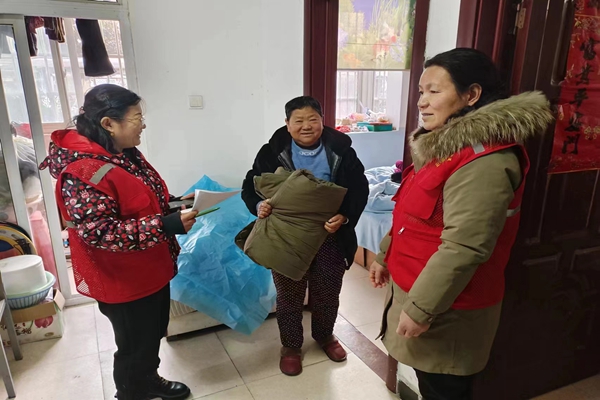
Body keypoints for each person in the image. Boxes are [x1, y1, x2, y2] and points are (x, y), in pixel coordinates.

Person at [369, 48, 553, 400]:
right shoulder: (444, 148)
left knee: (444, 389)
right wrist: (383, 256)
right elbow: (410, 214)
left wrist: (420, 309)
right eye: (421, 91)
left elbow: (464, 247)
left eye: (434, 91)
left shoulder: (484, 161)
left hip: (448, 308)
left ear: (471, 95)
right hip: (420, 291)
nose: (422, 101)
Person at [40, 84, 196, 400]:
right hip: (122, 279)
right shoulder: (83, 172)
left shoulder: (123, 153)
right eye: (137, 117)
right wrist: (166, 224)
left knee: (151, 334)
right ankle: (130, 392)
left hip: (150, 267)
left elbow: (140, 200)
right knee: (133, 344)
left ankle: (147, 379)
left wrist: (174, 204)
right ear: (109, 123)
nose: (143, 124)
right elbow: (100, 232)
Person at [242, 96, 369, 376]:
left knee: (328, 291)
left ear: (322, 121)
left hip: (329, 233)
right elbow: (250, 186)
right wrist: (258, 205)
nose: (306, 126)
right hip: (287, 234)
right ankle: (290, 346)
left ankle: (325, 335)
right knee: (289, 294)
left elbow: (359, 187)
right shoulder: (272, 151)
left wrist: (345, 216)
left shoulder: (341, 150)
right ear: (287, 124)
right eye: (298, 120)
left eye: (313, 119)